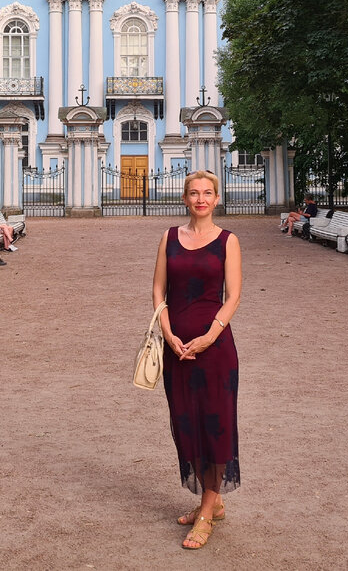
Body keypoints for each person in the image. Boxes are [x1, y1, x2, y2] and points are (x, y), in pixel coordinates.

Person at [152, 170, 243, 550]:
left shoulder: (228, 241)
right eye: (194, 193)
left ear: (217, 199)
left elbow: (233, 296)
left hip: (215, 350)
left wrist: (209, 336)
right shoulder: (169, 237)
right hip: (177, 350)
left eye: (208, 193)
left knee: (216, 425)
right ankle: (213, 500)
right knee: (186, 424)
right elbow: (158, 290)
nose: (201, 198)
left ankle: (206, 511)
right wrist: (168, 333)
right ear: (185, 198)